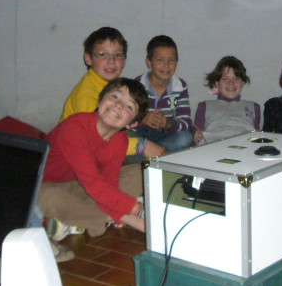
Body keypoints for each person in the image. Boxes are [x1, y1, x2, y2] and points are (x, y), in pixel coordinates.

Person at [38, 78, 148, 238]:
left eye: (129, 107)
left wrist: (123, 204)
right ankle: (106, 218)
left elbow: (109, 182)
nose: (119, 105)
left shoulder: (120, 140)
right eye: (115, 97)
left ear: (131, 124)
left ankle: (75, 221)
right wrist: (133, 213)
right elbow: (93, 182)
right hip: (49, 185)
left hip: (84, 187)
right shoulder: (74, 127)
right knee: (46, 198)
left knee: (140, 172)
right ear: (100, 99)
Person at [58, 27, 164, 159]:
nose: (111, 61)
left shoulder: (112, 86)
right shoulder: (86, 95)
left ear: (124, 60)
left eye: (118, 55)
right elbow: (98, 140)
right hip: (73, 158)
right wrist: (143, 146)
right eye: (103, 54)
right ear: (88, 58)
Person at [130, 35, 193, 152]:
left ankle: (156, 154)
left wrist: (168, 124)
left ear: (177, 62)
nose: (166, 65)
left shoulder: (180, 86)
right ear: (149, 62)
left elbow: (186, 122)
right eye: (160, 60)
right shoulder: (137, 85)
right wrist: (143, 118)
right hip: (142, 136)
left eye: (172, 60)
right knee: (127, 140)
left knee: (185, 137)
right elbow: (126, 120)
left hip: (166, 136)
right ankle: (156, 154)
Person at [193, 56, 261, 145]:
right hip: (214, 145)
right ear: (217, 83)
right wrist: (195, 136)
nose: (231, 83)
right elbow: (198, 135)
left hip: (244, 146)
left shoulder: (254, 107)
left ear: (242, 83)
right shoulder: (204, 106)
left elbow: (257, 134)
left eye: (236, 79)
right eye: (225, 79)